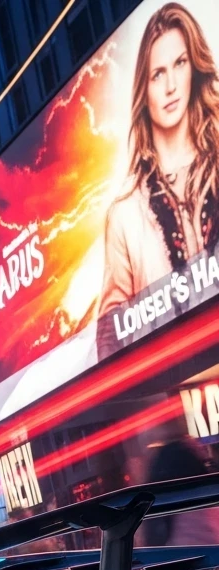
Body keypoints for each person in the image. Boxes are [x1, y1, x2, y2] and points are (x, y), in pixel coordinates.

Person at [98, 3, 219, 359]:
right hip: (176, 391)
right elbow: (109, 338)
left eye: (180, 64)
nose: (170, 86)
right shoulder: (125, 215)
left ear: (193, 67)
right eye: (157, 74)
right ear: (144, 89)